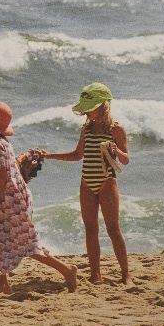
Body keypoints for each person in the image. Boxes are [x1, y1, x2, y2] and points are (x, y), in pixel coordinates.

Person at [0, 100, 77, 295]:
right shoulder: (0, 142)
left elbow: (3, 175)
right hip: (12, 197)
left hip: (9, 200)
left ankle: (66, 270)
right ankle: (2, 284)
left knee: (25, 243)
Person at [43, 83, 131, 284]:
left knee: (113, 230)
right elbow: (78, 154)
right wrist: (50, 155)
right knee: (91, 230)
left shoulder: (116, 130)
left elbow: (126, 160)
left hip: (107, 183)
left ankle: (126, 274)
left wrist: (115, 150)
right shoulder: (87, 129)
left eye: (88, 109)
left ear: (102, 106)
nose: (85, 114)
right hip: (86, 184)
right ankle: (95, 275)